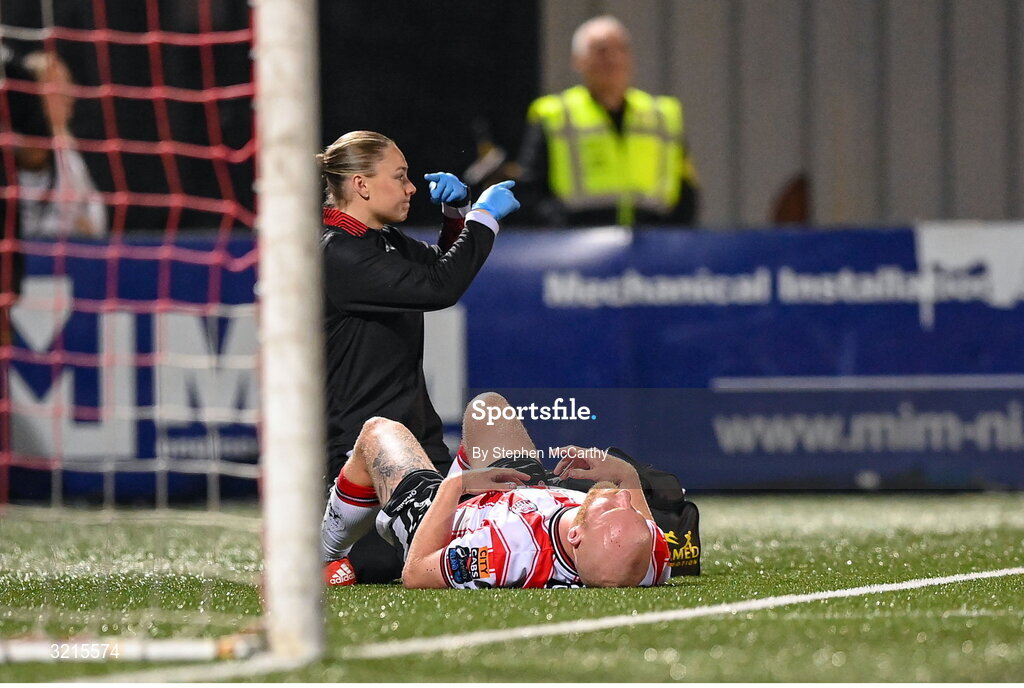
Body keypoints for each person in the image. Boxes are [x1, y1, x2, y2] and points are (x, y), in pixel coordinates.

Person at [318, 131, 520, 577]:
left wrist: (456, 215)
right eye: (400, 176)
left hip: (420, 442)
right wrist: (484, 218)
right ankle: (330, 551)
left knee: (490, 530)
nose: (411, 188)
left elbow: (441, 264)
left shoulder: (382, 240)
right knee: (405, 559)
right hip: (360, 455)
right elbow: (440, 288)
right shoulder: (337, 254)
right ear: (361, 185)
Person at [321, 392, 671, 588]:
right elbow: (642, 528)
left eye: (611, 508)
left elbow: (415, 573)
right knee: (488, 408)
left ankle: (324, 554)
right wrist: (626, 474)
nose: (623, 498)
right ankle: (469, 467)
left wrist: (457, 485)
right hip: (528, 493)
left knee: (377, 432)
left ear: (577, 535)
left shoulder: (503, 553)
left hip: (448, 520)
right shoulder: (643, 558)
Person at [515, 15, 699, 228]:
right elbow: (529, 192)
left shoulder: (663, 116)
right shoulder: (554, 115)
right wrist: (560, 230)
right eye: (601, 50)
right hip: (579, 247)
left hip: (653, 248)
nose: (613, 58)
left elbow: (687, 193)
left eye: (621, 49)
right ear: (578, 60)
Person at [16, 50, 107, 239]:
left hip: (82, 255)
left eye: (68, 84)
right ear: (32, 96)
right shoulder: (31, 148)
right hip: (38, 256)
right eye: (57, 86)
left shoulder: (68, 147)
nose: (68, 94)